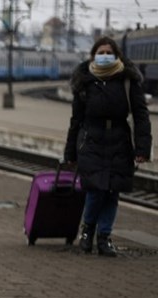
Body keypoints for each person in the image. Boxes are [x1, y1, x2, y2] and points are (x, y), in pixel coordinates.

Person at [64, 36, 152, 257]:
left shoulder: (127, 80)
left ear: (117, 55)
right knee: (95, 189)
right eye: (100, 52)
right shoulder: (84, 81)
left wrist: (143, 148)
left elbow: (141, 115)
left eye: (108, 52)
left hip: (119, 140)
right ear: (94, 55)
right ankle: (87, 231)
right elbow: (76, 120)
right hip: (91, 140)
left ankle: (104, 237)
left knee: (112, 192)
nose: (105, 56)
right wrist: (70, 153)